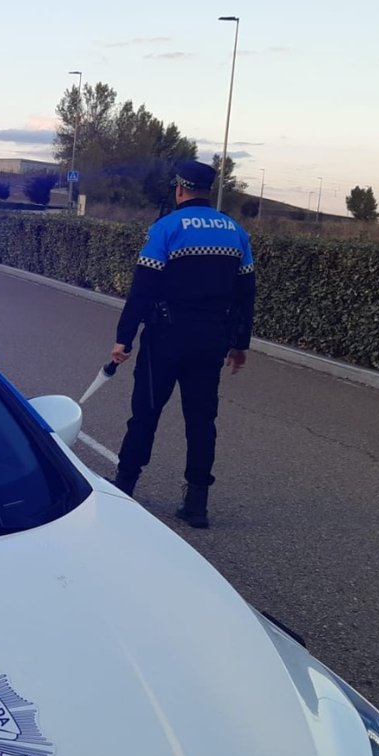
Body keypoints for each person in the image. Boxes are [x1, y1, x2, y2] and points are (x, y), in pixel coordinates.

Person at [107, 159, 255, 528]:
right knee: (202, 420)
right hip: (212, 339)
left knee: (146, 412)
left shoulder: (166, 228)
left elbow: (143, 288)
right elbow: (246, 294)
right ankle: (197, 504)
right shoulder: (236, 232)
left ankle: (125, 487)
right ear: (208, 189)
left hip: (166, 337)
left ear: (179, 189)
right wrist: (240, 344)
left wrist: (123, 339)